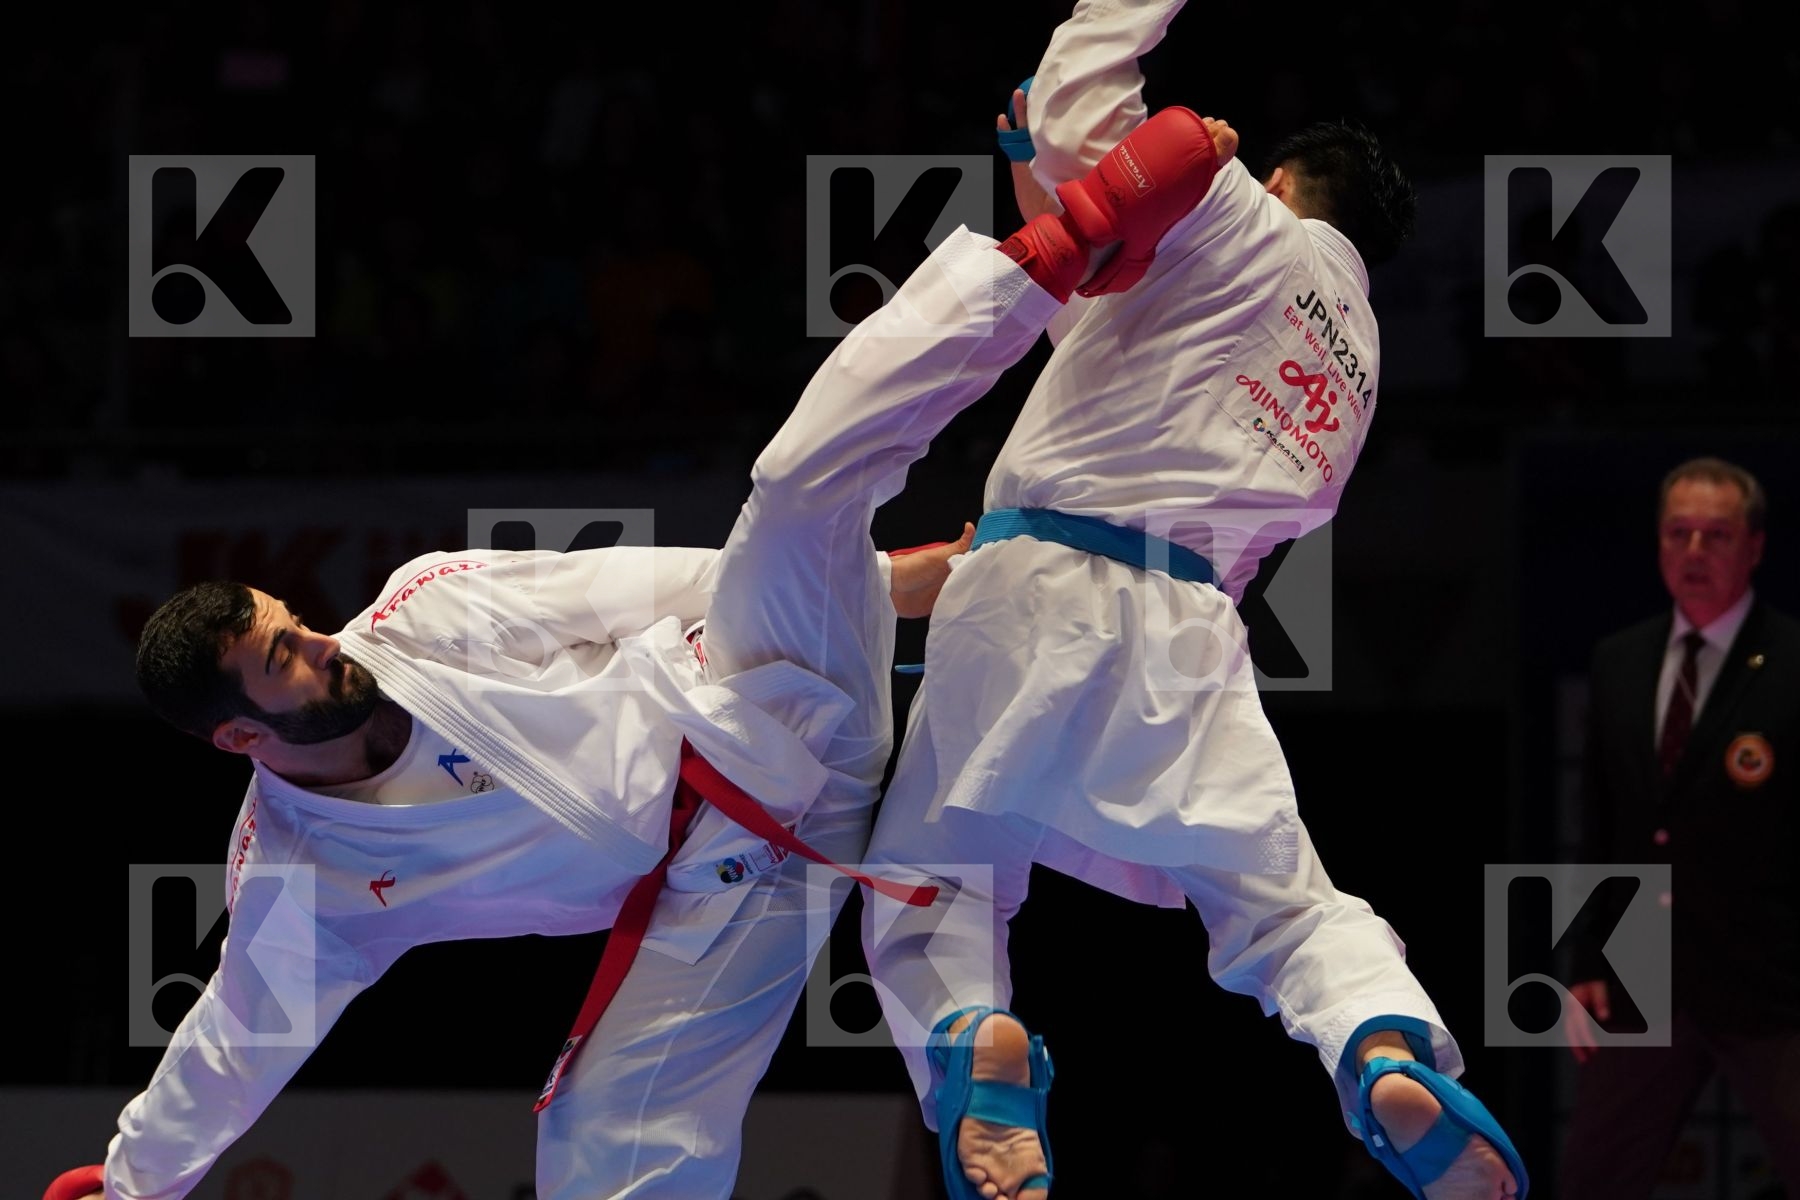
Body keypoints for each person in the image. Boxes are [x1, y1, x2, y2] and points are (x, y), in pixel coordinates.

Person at [40, 99, 1234, 1200]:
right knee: (601, 1145)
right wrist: (132, 1183)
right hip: (729, 896)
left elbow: (664, 582)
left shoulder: (425, 611)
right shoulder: (303, 880)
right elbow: (233, 1044)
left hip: (772, 702)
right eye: (283, 661)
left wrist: (877, 586)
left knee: (791, 490)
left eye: (291, 621)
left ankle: (1065, 242)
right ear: (242, 738)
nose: (319, 644)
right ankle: (972, 1049)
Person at [858, 2, 1528, 1199]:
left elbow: (1076, 114)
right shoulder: (1358, 359)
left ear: (1283, 180)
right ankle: (1381, 1040)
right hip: (1192, 626)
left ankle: (975, 1042)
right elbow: (1117, 301)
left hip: (1034, 587)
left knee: (931, 882)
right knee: (1280, 904)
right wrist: (1048, 188)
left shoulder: (1242, 221)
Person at [1558, 457, 1800, 1198]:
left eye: (1716, 536)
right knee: (1590, 1179)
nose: (1695, 552)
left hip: (1776, 981)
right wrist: (1585, 964)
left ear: (1754, 546)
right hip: (1641, 975)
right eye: (1679, 534)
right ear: (1660, 545)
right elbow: (1603, 823)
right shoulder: (1620, 660)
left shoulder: (1794, 663)